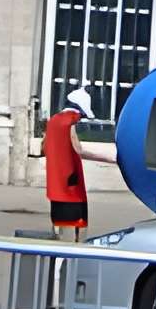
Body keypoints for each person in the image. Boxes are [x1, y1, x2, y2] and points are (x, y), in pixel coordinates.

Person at [44, 87, 93, 237]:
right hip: (71, 183)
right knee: (76, 223)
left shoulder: (53, 121)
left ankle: (56, 235)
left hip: (55, 181)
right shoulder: (70, 123)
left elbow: (44, 146)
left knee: (58, 217)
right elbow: (78, 148)